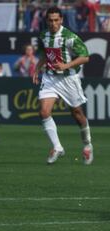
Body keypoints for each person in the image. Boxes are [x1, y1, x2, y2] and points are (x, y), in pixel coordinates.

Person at [33, 6, 93, 165]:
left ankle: (87, 145)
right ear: (46, 21)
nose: (53, 23)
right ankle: (57, 147)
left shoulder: (69, 36)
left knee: (77, 113)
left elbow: (85, 57)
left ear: (61, 20)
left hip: (68, 79)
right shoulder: (43, 35)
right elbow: (46, 55)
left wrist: (67, 66)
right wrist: (37, 69)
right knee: (44, 112)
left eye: (56, 20)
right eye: (50, 20)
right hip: (50, 78)